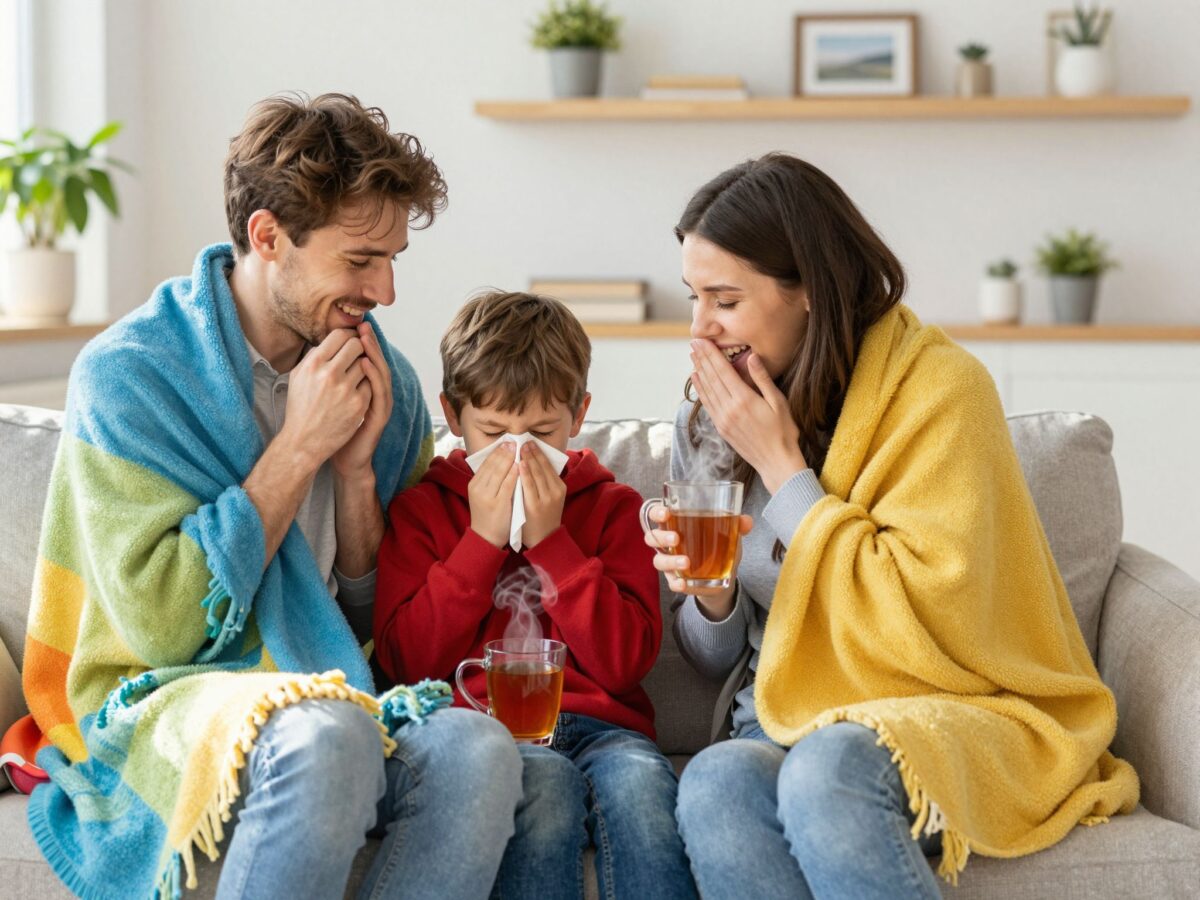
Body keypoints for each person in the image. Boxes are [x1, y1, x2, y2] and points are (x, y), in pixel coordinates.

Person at [19, 93, 521, 900]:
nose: (386, 292)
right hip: (164, 692)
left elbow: (380, 636)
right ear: (267, 235)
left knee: (482, 750)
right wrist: (298, 448)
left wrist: (355, 474)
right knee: (330, 735)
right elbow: (161, 628)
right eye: (360, 260)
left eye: (393, 259)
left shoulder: (383, 382)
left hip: (333, 683)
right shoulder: (132, 377)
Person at [644, 153, 1140, 899]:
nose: (701, 330)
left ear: (806, 289)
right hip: (780, 719)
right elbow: (722, 658)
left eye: (725, 300)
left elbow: (929, 612)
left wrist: (783, 469)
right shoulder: (706, 419)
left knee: (828, 770)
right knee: (714, 780)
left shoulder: (941, 392)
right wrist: (710, 595)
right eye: (693, 298)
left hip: (944, 708)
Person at [374, 290, 697, 900]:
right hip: (478, 729)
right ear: (453, 415)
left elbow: (627, 662)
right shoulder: (422, 512)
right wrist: (480, 541)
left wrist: (552, 543)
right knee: (543, 785)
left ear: (578, 417)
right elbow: (406, 662)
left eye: (541, 432)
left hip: (605, 731)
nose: (519, 453)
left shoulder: (615, 509)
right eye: (493, 432)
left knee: (643, 792)